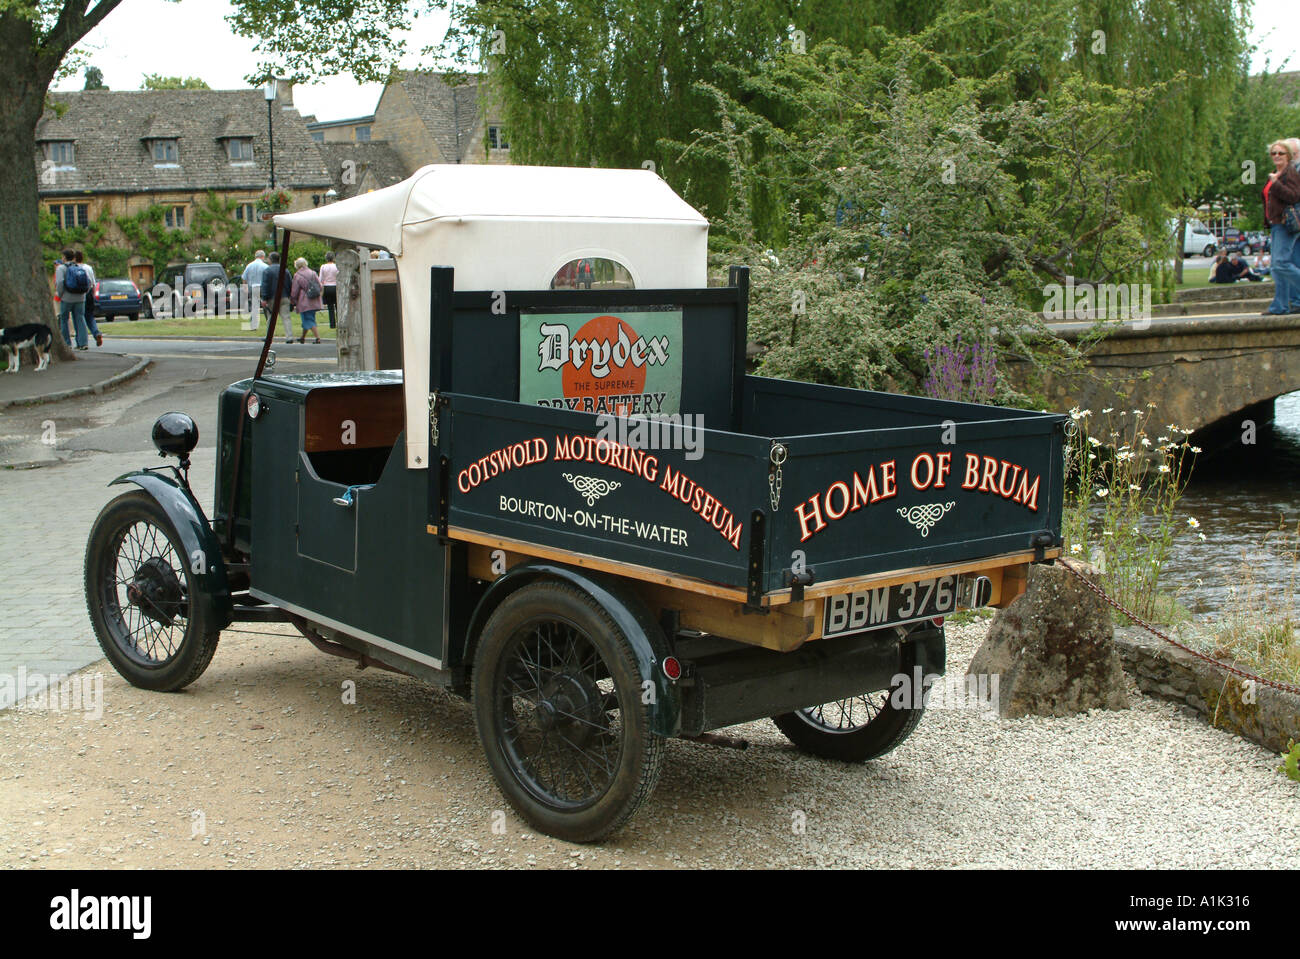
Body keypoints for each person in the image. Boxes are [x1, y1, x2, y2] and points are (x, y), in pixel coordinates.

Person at [1262, 140, 1300, 315]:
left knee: (1280, 264)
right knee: (1277, 267)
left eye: (1281, 153)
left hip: (1286, 224)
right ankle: (1280, 306)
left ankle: (1282, 305)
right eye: (1274, 153)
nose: (1277, 156)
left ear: (1289, 156)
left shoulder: (1290, 173)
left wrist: (1275, 184)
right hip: (1276, 223)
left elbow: (1293, 196)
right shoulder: (1277, 173)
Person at [54, 248, 90, 350]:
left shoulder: (61, 268)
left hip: (67, 297)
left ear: (64, 257)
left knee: (64, 319)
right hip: (80, 297)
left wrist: (60, 295)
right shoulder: (79, 267)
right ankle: (83, 343)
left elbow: (60, 283)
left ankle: (67, 343)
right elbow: (87, 282)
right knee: (80, 318)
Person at [289, 256, 324, 344]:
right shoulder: (313, 273)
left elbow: (294, 291)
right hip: (314, 299)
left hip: (304, 301)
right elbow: (320, 286)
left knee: (308, 319)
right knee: (307, 318)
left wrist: (292, 300)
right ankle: (302, 337)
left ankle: (317, 338)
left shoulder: (297, 275)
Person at [75, 251, 104, 346]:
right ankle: (96, 333)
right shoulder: (88, 268)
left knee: (79, 318)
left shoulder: (73, 268)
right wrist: (93, 295)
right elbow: (93, 283)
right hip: (89, 294)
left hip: (78, 295)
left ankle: (80, 341)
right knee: (90, 316)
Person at [260, 252, 292, 334]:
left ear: (270, 260)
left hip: (272, 298)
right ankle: (289, 336)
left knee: (271, 318)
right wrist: (289, 295)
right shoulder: (285, 270)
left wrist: (264, 298)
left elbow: (265, 285)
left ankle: (269, 336)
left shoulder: (267, 271)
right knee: (286, 317)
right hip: (284, 296)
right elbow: (290, 283)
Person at [242, 249, 268, 320]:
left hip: (252, 287)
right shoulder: (265, 266)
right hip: (262, 288)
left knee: (254, 306)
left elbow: (244, 277)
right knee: (266, 305)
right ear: (263, 257)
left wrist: (245, 288)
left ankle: (253, 323)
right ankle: (269, 321)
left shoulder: (249, 266)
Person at [319, 252, 339, 328]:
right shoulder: (336, 266)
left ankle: (332, 324)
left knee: (330, 307)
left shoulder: (323, 267)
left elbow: (320, 279)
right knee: (337, 306)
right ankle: (339, 321)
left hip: (327, 287)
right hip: (335, 286)